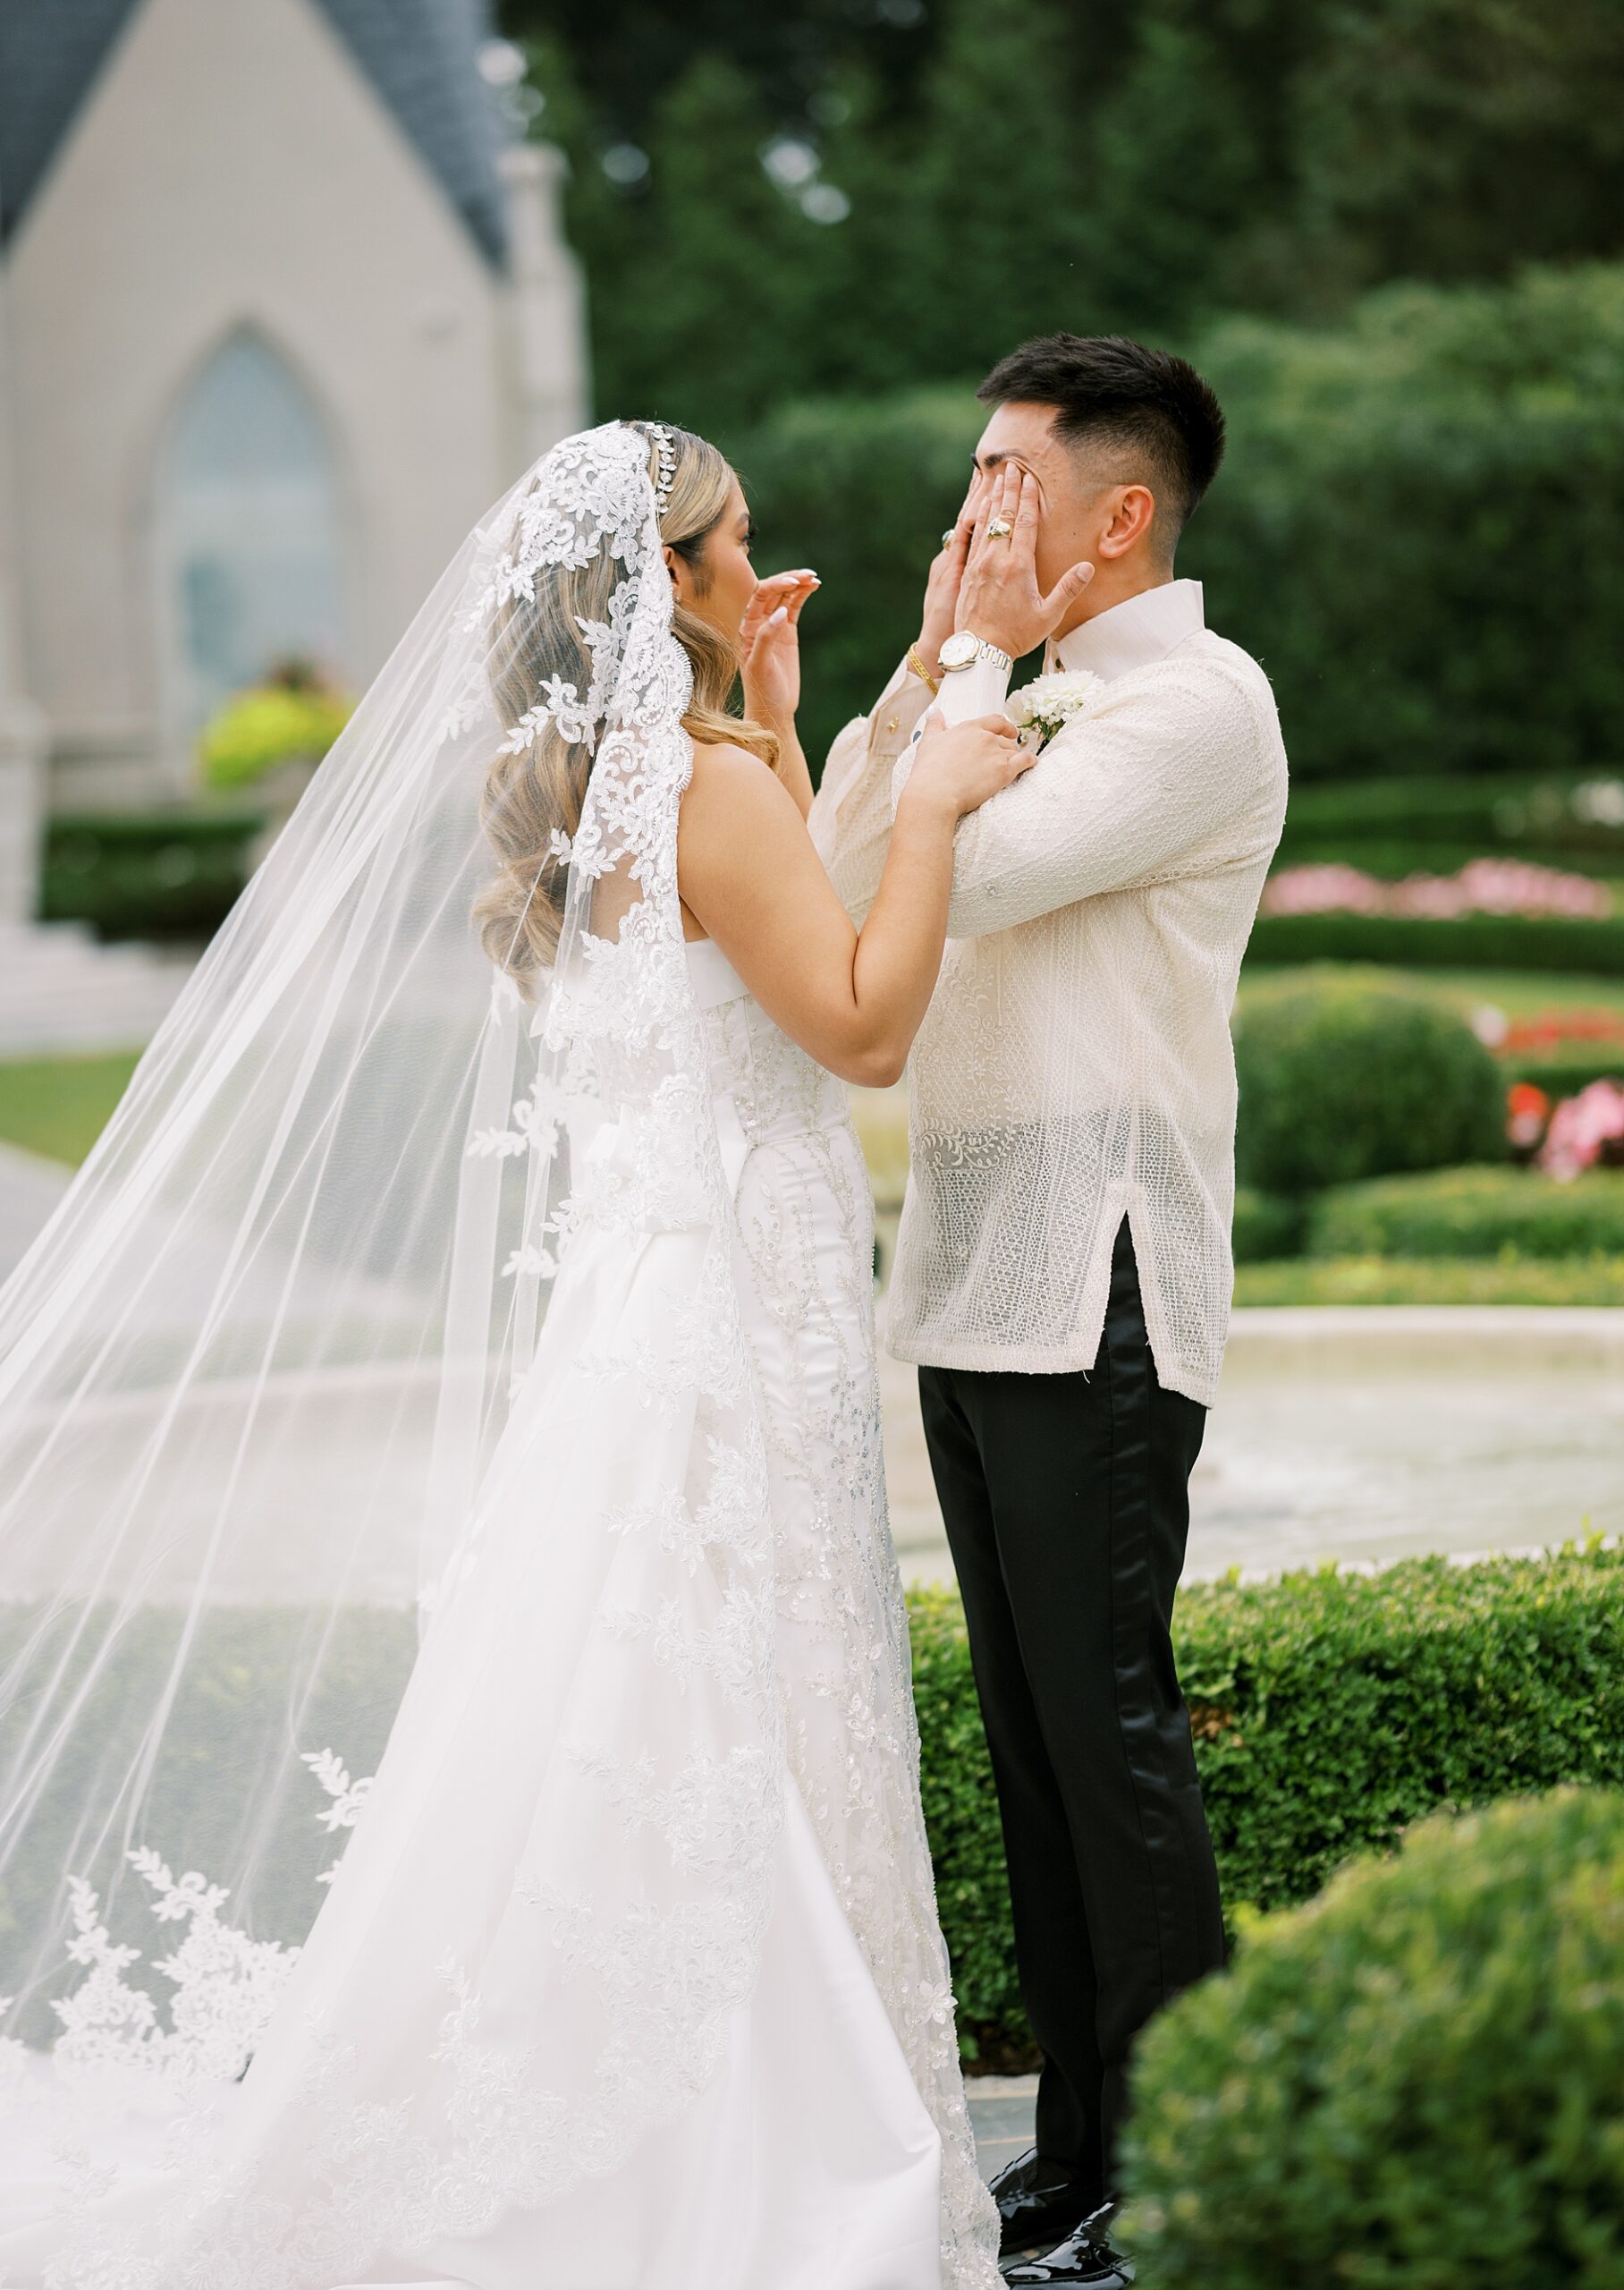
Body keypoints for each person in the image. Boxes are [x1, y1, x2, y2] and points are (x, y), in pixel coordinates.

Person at [0, 420, 1089, 2288]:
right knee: (749, 1709)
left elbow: (738, 966)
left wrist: (772, 709)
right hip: (730, 1316)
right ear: (678, 580)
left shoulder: (625, 781)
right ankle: (743, 2164)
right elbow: (856, 1024)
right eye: (742, 547)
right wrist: (934, 790)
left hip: (659, 1302)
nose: (762, 562)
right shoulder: (697, 787)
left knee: (679, 1703)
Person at [811, 333, 1289, 2285]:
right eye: (973, 474)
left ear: (1123, 511)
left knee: (1110, 1727)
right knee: (1028, 1736)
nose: (975, 512)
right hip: (972, 1262)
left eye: (1012, 479)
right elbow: (843, 878)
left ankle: (1188, 2164)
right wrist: (944, 666)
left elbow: (964, 882)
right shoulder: (1006, 686)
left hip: (1098, 1270)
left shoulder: (1197, 705)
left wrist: (967, 680)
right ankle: (1080, 2150)